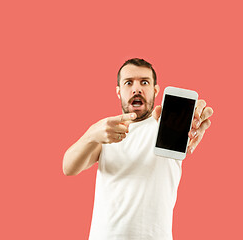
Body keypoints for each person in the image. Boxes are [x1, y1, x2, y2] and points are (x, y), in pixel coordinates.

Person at [63, 58, 213, 240]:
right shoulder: (106, 131)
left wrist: (194, 118)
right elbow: (68, 168)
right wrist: (91, 134)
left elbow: (191, 127)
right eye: (128, 83)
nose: (136, 89)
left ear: (155, 90)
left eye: (144, 82)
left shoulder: (167, 126)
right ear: (118, 92)